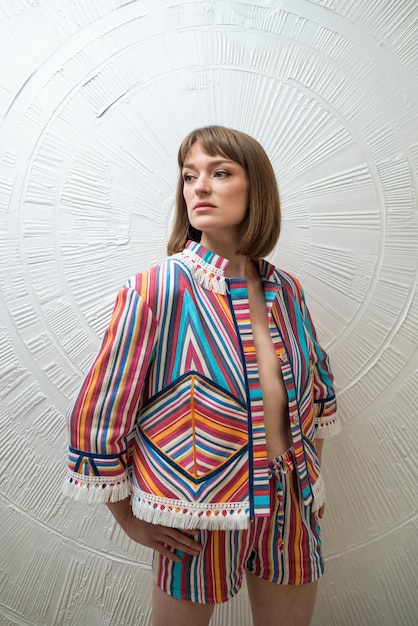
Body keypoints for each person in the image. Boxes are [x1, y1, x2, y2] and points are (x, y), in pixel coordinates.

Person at [64, 125, 340, 626]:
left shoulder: (287, 292)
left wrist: (310, 481)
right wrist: (129, 519)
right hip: (197, 511)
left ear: (256, 188)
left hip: (290, 505)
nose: (199, 187)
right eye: (190, 176)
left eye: (220, 172)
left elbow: (317, 395)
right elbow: (99, 411)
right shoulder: (159, 288)